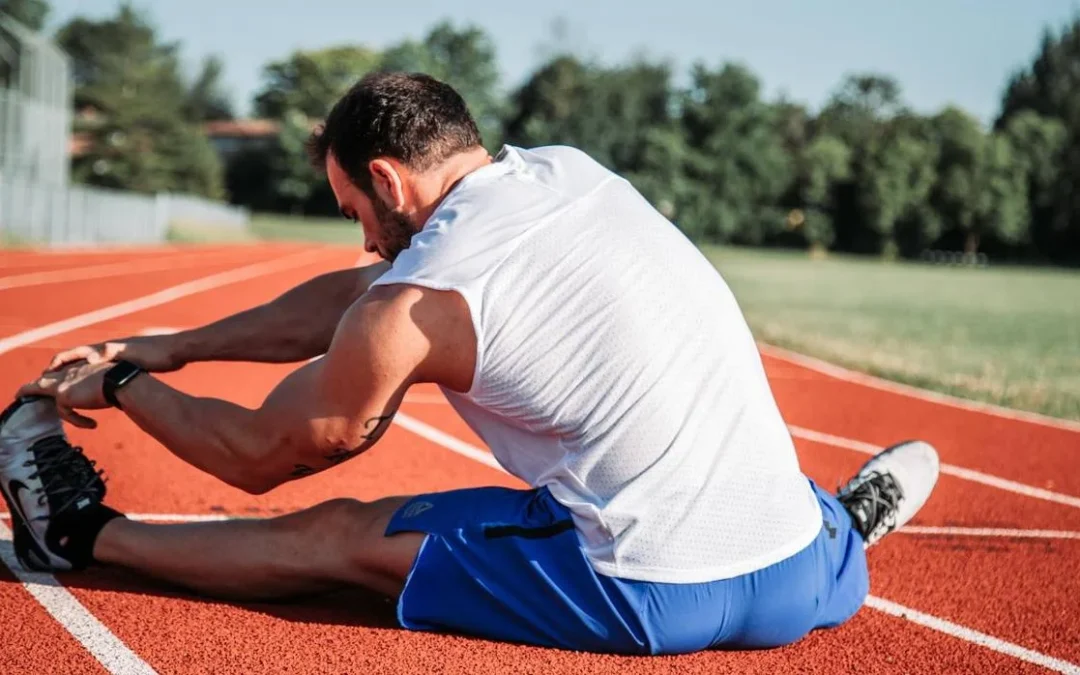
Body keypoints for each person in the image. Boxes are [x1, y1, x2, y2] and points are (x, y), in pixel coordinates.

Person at [0, 72, 940, 655]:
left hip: (645, 588)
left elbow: (259, 454)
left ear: (386, 179)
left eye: (354, 212)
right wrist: (174, 344)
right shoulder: (566, 173)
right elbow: (360, 294)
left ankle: (82, 537)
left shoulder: (419, 301)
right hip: (795, 576)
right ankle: (846, 526)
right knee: (740, 466)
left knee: (338, 535)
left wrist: (123, 383)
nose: (364, 241)